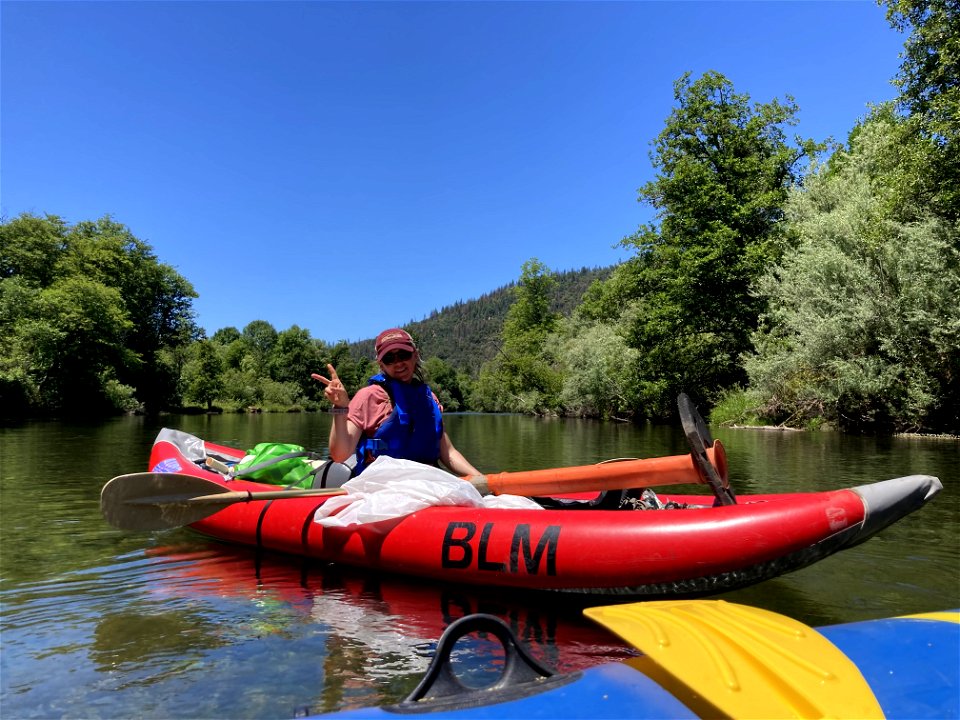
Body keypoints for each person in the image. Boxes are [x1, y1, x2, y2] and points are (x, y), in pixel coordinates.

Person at [312, 328, 481, 477]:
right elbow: (340, 455)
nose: (398, 363)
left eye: (404, 355)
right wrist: (340, 406)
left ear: (415, 355)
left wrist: (483, 479)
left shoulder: (429, 399)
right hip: (384, 484)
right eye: (389, 358)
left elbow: (448, 453)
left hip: (428, 480)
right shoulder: (368, 397)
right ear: (382, 365)